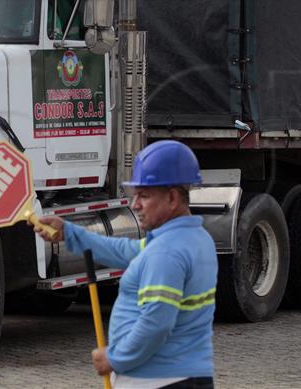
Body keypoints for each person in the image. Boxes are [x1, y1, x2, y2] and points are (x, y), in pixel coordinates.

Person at [36, 140, 218, 389]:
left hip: (159, 381)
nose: (135, 205)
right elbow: (128, 251)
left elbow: (156, 323)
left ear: (173, 197)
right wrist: (70, 233)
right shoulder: (195, 239)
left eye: (144, 196)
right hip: (187, 376)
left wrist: (115, 359)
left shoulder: (166, 252)